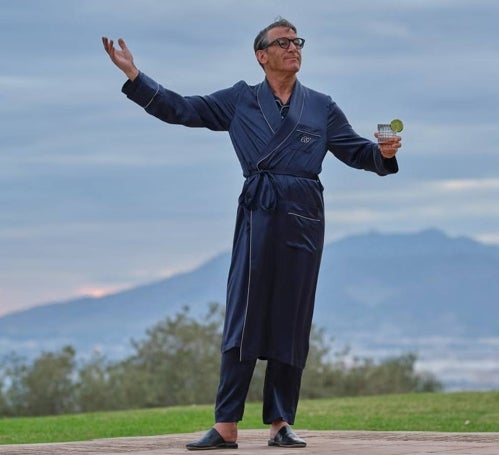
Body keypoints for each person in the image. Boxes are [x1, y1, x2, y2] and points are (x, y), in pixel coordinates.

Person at [102, 17, 401, 450]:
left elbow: (358, 152)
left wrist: (383, 153)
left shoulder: (321, 105)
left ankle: (281, 423)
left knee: (291, 318)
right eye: (282, 42)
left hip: (304, 217)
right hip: (258, 215)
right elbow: (182, 108)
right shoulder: (240, 100)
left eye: (297, 41)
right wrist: (134, 76)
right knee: (243, 318)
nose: (293, 48)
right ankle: (226, 425)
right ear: (262, 55)